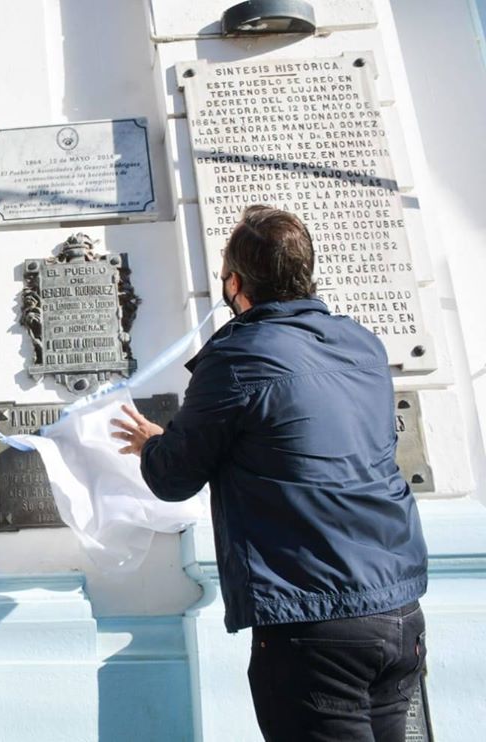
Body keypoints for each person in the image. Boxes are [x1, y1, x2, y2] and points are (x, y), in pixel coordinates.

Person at [111, 206, 428, 742]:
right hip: (399, 609)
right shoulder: (363, 345)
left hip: (315, 623)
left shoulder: (238, 357)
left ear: (235, 283)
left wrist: (152, 445)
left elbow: (173, 478)